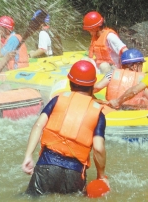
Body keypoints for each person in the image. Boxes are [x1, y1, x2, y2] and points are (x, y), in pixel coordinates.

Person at [22, 60, 107, 196]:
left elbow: (38, 125)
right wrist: (101, 175)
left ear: (70, 81)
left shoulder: (57, 100)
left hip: (46, 166)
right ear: (93, 84)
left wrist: (28, 155)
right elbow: (98, 148)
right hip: (74, 173)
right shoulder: (98, 114)